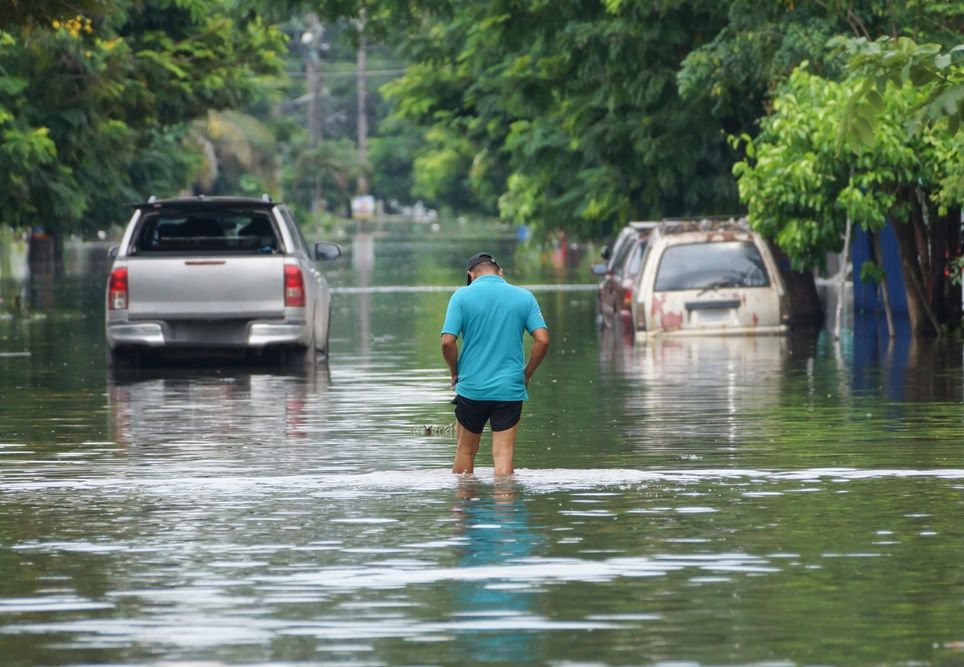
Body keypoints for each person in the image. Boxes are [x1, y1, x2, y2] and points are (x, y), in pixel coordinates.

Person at [440, 252, 550, 476]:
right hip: (509, 388)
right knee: (504, 454)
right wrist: (526, 373)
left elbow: (447, 342)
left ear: (470, 275)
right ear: (501, 273)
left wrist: (455, 373)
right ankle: (506, 506)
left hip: (472, 388)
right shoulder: (524, 297)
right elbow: (543, 340)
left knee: (465, 452)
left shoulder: (461, 297)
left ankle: (464, 507)